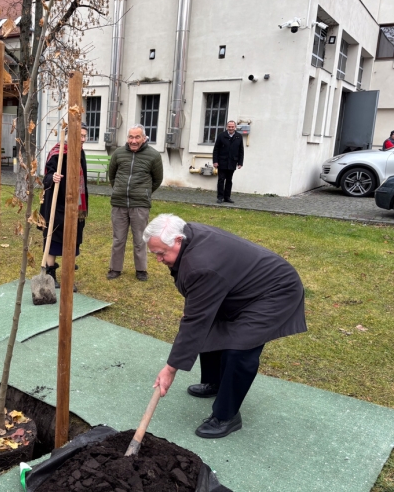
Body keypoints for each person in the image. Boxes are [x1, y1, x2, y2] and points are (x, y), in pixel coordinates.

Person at [143, 213, 307, 439]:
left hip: (275, 291)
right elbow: (200, 316)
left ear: (178, 240)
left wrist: (170, 369)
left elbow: (194, 321)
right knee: (212, 326)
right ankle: (215, 382)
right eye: (155, 254)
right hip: (239, 286)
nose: (158, 260)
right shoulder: (187, 235)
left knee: (239, 349)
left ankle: (226, 416)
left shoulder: (201, 265)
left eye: (161, 253)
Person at [107, 124, 163, 282]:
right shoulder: (118, 153)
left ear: (144, 138)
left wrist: (144, 192)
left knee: (140, 239)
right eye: (131, 137)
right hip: (119, 203)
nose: (133, 140)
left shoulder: (153, 156)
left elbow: (157, 179)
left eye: (137, 137)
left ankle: (141, 269)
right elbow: (112, 175)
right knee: (118, 238)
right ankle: (115, 268)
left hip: (140, 204)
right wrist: (119, 189)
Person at [38, 125, 89, 291]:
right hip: (57, 203)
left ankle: (68, 276)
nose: (82, 139)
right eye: (80, 135)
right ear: (70, 136)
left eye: (84, 136)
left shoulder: (79, 152)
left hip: (75, 205)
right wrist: (53, 177)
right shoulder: (58, 152)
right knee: (54, 237)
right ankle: (50, 275)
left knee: (72, 239)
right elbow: (46, 176)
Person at [212, 121, 244, 204]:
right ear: (227, 127)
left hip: (232, 162)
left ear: (235, 127)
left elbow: (241, 151)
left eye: (232, 127)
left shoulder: (239, 137)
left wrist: (240, 163)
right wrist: (215, 161)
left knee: (229, 180)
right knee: (221, 180)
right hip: (222, 162)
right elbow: (216, 149)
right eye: (229, 126)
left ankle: (227, 197)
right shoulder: (221, 136)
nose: (231, 128)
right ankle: (220, 197)